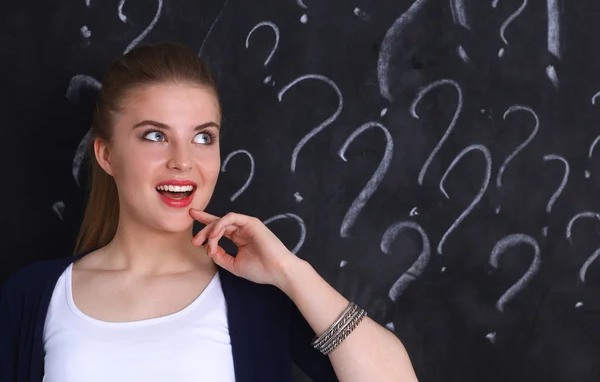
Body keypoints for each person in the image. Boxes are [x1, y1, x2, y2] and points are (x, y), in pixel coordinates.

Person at [0, 42, 419, 381]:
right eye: (154, 136)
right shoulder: (35, 296)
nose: (183, 161)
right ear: (107, 155)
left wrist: (292, 273)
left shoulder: (257, 295)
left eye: (203, 137)